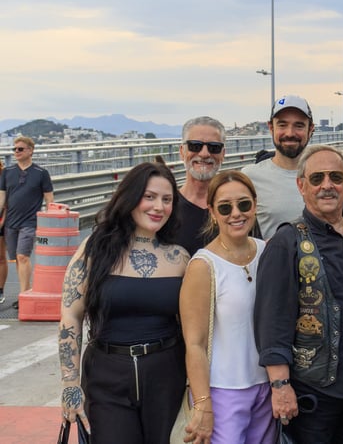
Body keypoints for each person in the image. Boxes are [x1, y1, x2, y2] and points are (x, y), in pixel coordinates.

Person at [58, 161, 190, 443]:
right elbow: (71, 317)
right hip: (106, 375)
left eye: (167, 200)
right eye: (149, 196)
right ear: (130, 197)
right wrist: (70, 384)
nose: (159, 207)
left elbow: (192, 330)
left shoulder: (180, 258)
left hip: (167, 374)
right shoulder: (95, 249)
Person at [254, 144, 343, 444]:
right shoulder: (287, 241)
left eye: (336, 177)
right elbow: (272, 320)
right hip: (314, 392)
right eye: (316, 178)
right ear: (301, 186)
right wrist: (280, 386)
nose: (327, 185)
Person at [179, 171, 273, 443]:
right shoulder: (203, 265)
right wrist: (203, 404)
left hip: (266, 388)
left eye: (244, 204)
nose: (236, 213)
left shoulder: (267, 251)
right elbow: (194, 343)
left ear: (255, 205)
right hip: (223, 391)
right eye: (225, 207)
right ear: (212, 212)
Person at [243, 95, 315, 239]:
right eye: (282, 125)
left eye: (299, 126)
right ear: (271, 127)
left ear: (310, 129)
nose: (290, 133)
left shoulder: (327, 176)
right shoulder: (249, 177)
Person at [0, 136, 54, 309]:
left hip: (30, 222)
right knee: (17, 258)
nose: (16, 152)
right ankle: (26, 291)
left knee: (23, 256)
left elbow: (49, 199)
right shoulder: (7, 172)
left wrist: (48, 221)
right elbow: (2, 198)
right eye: (14, 149)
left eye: (20, 149)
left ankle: (24, 295)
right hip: (10, 222)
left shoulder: (41, 173)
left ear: (30, 150)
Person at [177, 116, 228, 255]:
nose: (204, 153)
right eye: (195, 146)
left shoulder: (237, 206)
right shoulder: (166, 208)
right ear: (182, 151)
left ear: (223, 154)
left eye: (214, 147)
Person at [0, 160, 6, 304]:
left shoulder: (4, 177)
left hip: (0, 222)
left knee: (0, 257)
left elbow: (6, 205)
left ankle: (0, 290)